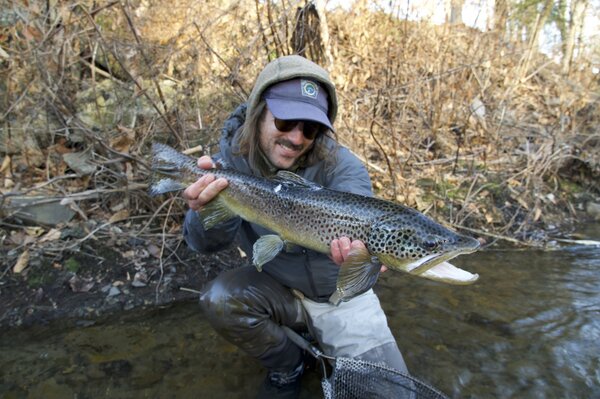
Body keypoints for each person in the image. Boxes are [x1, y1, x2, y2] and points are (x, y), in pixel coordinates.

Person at [182, 55, 407, 399]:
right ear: (259, 111)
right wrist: (204, 209)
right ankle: (289, 365)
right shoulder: (229, 165)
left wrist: (361, 254)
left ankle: (324, 340)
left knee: (392, 395)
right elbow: (203, 245)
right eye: (286, 120)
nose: (297, 137)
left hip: (341, 299)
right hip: (279, 289)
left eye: (310, 127)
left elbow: (360, 208)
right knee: (220, 299)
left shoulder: (343, 167)